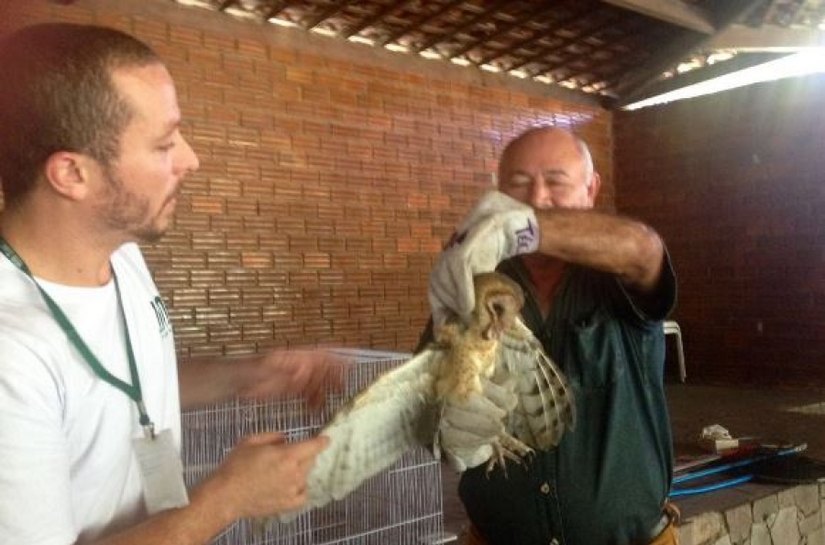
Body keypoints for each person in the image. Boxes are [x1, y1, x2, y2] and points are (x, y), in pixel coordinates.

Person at [0, 23, 344, 545]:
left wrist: (245, 374)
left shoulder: (124, 255)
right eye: (164, 144)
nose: (190, 159)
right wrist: (226, 499)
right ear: (71, 174)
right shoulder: (12, 350)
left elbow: (110, 390)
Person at [423, 126, 678, 545]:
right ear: (497, 192)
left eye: (556, 182)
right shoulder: (474, 283)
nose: (537, 198)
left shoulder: (620, 275)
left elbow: (643, 249)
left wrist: (522, 229)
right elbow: (431, 406)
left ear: (592, 188)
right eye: (518, 184)